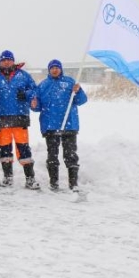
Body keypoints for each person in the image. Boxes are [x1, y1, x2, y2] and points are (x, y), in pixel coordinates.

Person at [32, 59, 88, 191]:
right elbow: (38, 107)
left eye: (57, 67)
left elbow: (82, 100)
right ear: (49, 70)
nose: (55, 70)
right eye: (52, 68)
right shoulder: (43, 85)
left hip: (69, 125)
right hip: (50, 125)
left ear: (61, 69)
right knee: (52, 155)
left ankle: (73, 183)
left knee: (70, 155)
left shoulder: (70, 82)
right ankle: (54, 182)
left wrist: (78, 91)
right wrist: (34, 105)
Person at [0, 50, 40, 189]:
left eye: (9, 59)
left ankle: (30, 179)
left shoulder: (24, 76)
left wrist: (27, 94)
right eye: (4, 59)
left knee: (23, 149)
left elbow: (35, 90)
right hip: (1, 119)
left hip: (20, 119)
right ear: (0, 61)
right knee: (4, 151)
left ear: (13, 61)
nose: (6, 62)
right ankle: (7, 178)